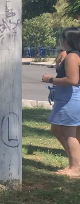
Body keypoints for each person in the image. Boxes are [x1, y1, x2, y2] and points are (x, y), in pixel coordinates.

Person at [41, 27, 80, 177]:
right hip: (68, 97)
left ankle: (74, 168)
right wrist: (62, 55)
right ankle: (75, 162)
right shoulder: (70, 55)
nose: (61, 41)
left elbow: (72, 80)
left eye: (63, 38)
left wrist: (50, 79)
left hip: (70, 97)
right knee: (58, 129)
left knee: (69, 133)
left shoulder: (72, 57)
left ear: (68, 40)